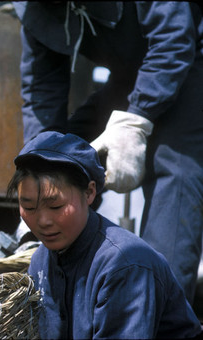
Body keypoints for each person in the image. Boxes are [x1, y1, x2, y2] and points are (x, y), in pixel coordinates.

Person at [12, 1, 203, 305]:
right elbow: (42, 87)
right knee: (66, 156)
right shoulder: (36, 7)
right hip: (128, 77)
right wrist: (38, 173)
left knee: (174, 170)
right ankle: (66, 298)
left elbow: (174, 39)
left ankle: (158, 312)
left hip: (189, 62)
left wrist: (137, 119)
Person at [6, 131, 202, 339]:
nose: (43, 220)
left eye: (56, 206)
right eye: (28, 206)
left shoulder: (125, 264)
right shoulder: (40, 260)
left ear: (89, 193)